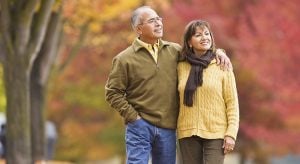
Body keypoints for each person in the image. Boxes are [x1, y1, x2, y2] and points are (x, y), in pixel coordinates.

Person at [105, 6, 231, 164]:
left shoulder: (175, 51)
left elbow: (200, 51)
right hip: (140, 126)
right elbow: (112, 93)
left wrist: (219, 52)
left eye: (159, 19)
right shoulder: (124, 59)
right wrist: (133, 117)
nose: (158, 23)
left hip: (168, 127)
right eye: (152, 21)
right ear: (139, 29)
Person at [177, 20, 239, 164]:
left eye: (207, 34)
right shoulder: (180, 65)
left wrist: (231, 134)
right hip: (187, 131)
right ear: (189, 42)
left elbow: (232, 103)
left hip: (216, 132)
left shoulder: (222, 65)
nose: (204, 37)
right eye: (198, 35)